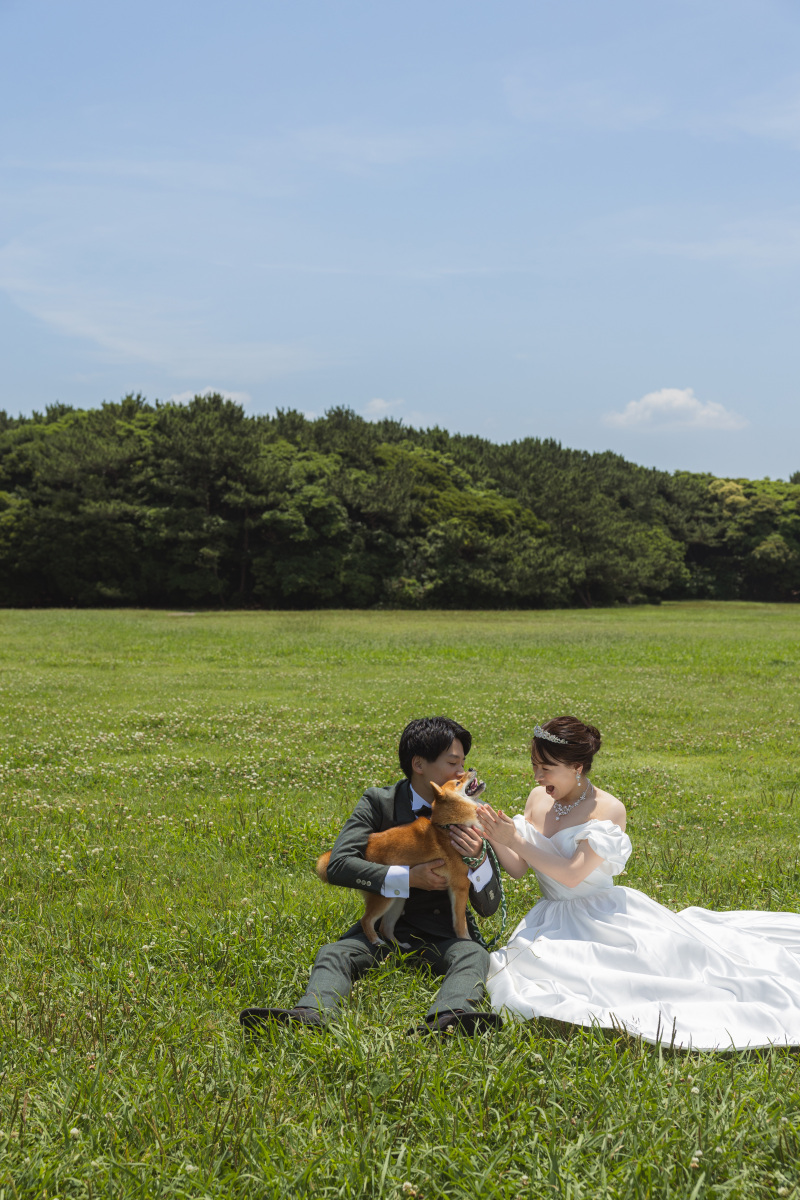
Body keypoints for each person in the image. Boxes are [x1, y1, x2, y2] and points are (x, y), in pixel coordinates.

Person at [480, 715, 800, 1051]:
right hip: (549, 917)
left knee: (645, 981)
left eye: (546, 767)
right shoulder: (537, 798)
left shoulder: (607, 809)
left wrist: (514, 839)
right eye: (535, 765)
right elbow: (518, 868)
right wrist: (486, 825)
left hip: (601, 917)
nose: (537, 776)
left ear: (576, 766)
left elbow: (572, 874)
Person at [239, 716, 504, 1036]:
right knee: (335, 953)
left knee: (473, 955)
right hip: (383, 928)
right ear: (418, 764)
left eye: (464, 762)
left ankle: (450, 1019)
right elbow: (338, 865)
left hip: (444, 934)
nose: (462, 772)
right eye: (452, 762)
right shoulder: (379, 802)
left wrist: (477, 859)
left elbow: (489, 907)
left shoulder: (470, 808)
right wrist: (406, 877)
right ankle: (311, 1014)